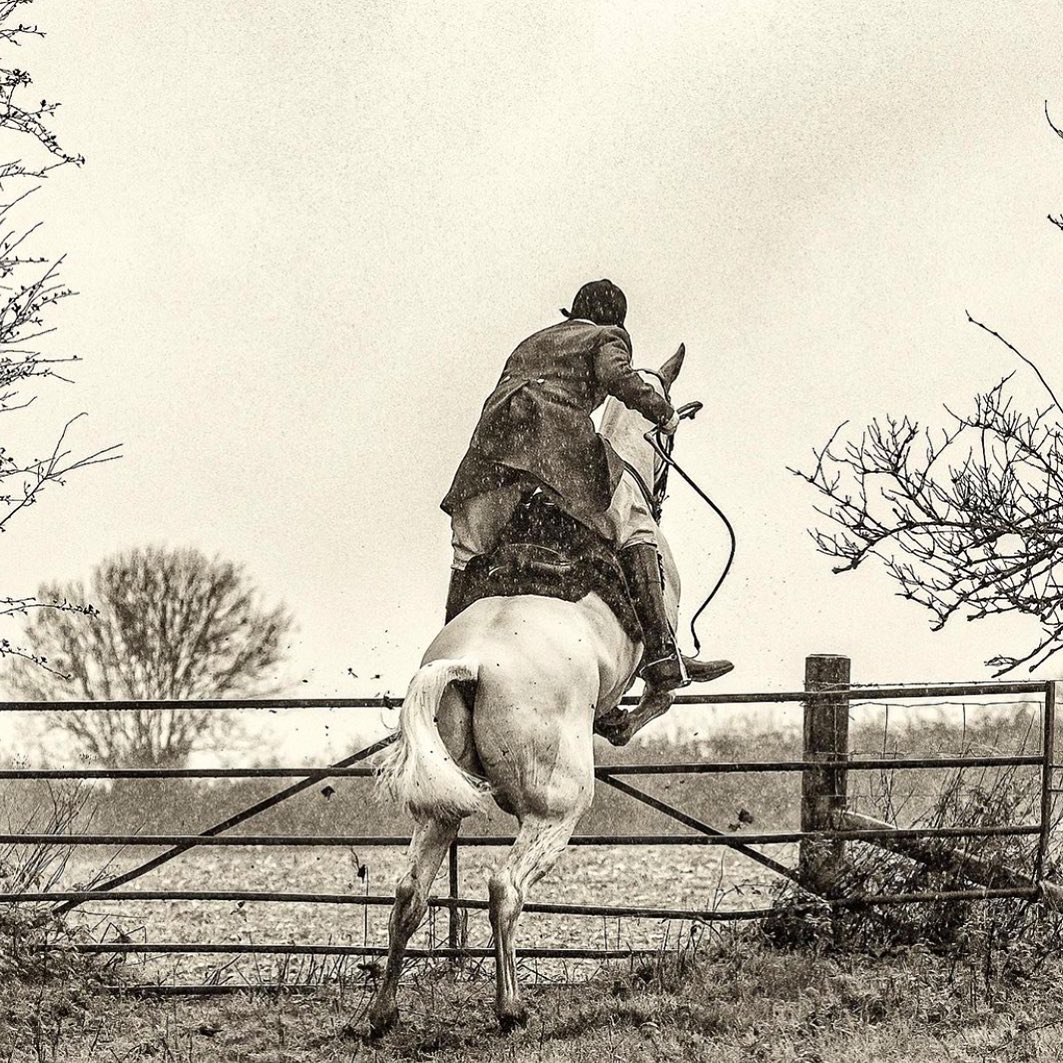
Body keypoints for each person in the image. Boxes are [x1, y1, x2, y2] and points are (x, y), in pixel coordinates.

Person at [441, 279, 715, 693]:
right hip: (555, 447)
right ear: (614, 320)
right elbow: (616, 376)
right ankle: (661, 654)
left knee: (467, 551)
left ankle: (450, 657)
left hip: (491, 455)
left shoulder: (533, 341)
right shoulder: (607, 336)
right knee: (636, 524)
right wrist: (664, 413)